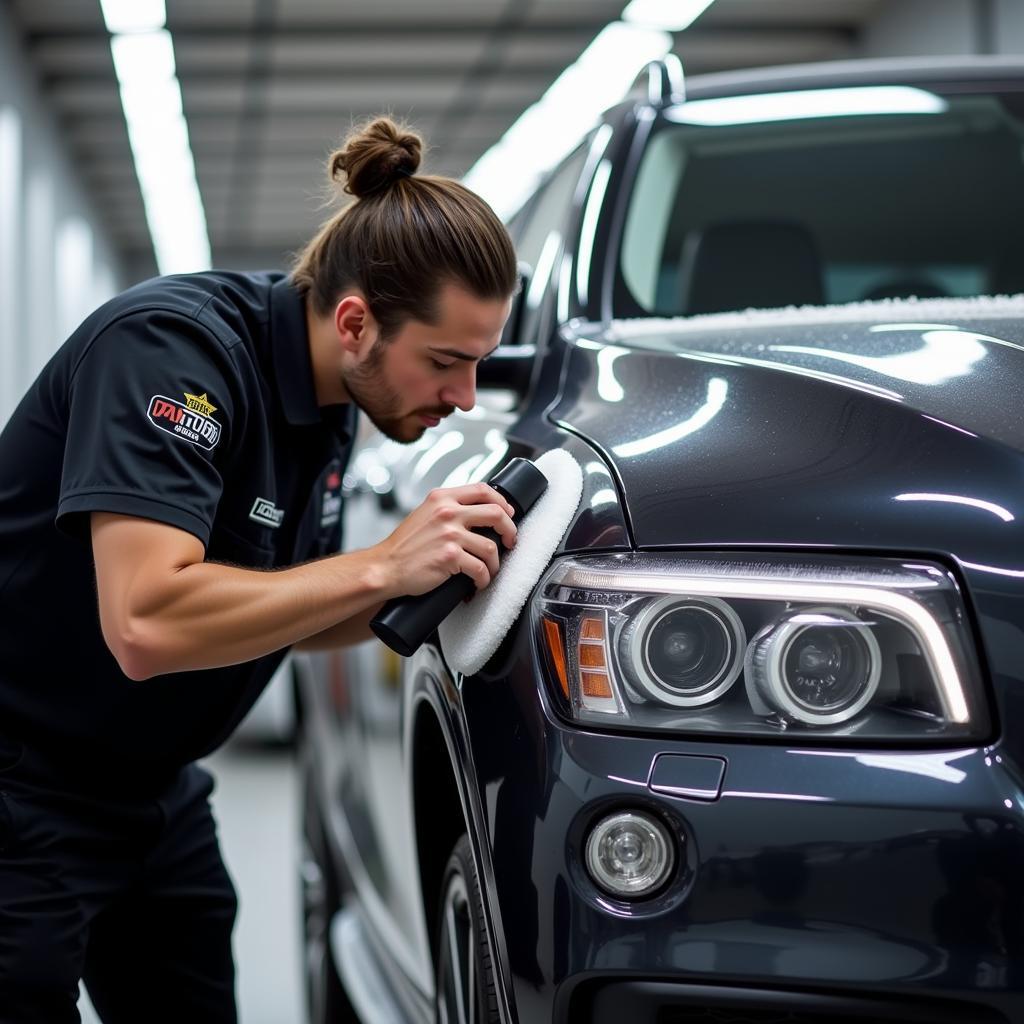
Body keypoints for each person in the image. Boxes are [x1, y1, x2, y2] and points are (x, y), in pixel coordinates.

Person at [0, 116, 519, 1022]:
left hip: (154, 790)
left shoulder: (330, 401)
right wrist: (380, 566)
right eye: (446, 362)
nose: (463, 397)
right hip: (20, 784)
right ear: (355, 321)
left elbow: (292, 610)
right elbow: (148, 620)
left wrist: (442, 583)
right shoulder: (171, 351)